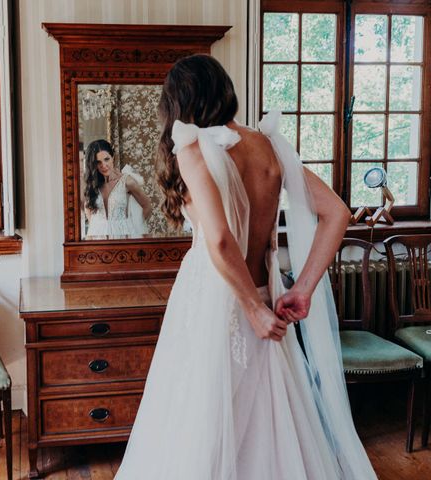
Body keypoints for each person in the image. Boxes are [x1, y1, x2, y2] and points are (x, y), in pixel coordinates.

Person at [114, 54, 376, 479]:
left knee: (200, 427)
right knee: (270, 427)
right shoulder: (267, 146)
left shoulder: (192, 146)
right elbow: (337, 213)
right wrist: (302, 289)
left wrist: (251, 311)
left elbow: (218, 238)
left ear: (180, 102)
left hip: (219, 307)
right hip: (267, 297)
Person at [82, 139, 152, 238]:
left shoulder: (127, 181)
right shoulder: (92, 184)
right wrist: (97, 227)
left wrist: (134, 228)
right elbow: (88, 210)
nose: (104, 166)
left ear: (113, 157)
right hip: (98, 237)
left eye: (107, 159)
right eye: (98, 162)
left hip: (121, 236)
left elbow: (147, 206)